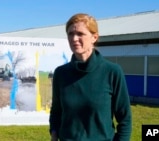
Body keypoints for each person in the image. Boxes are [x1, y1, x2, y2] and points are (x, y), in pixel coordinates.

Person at [49, 13, 132, 141]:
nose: (74, 38)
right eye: (70, 34)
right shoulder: (61, 73)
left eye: (80, 34)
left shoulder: (112, 72)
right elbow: (56, 112)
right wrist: (54, 133)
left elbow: (124, 119)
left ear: (94, 37)